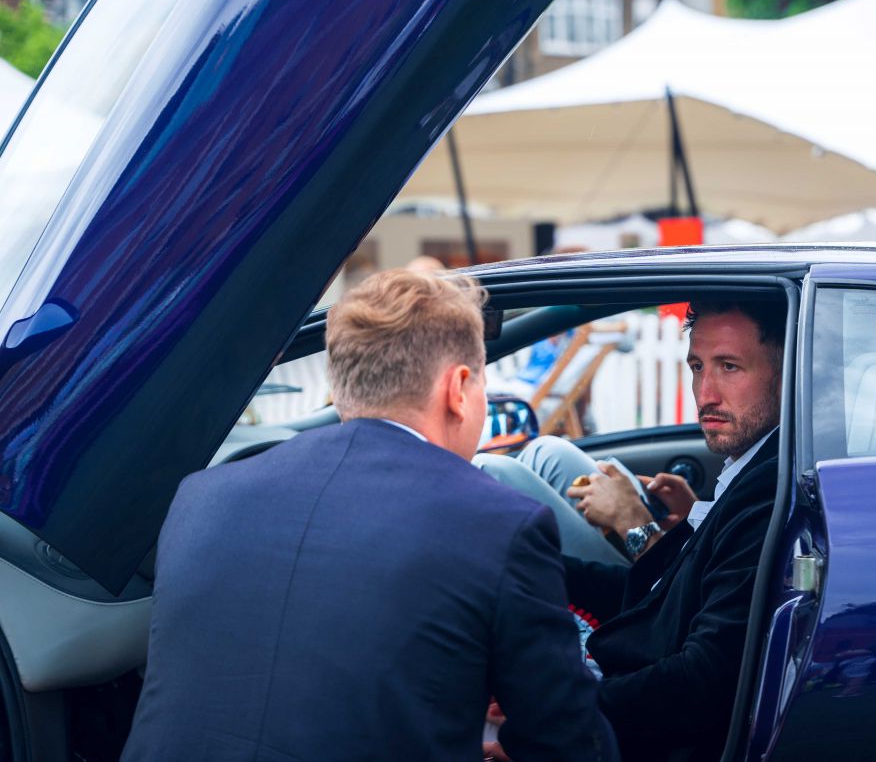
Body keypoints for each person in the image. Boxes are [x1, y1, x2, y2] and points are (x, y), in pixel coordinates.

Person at [123, 269, 617, 762]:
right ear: (459, 388)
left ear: (343, 385)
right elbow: (569, 743)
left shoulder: (201, 497)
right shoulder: (500, 524)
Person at [483, 299, 785, 761]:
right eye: (697, 366)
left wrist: (553, 720)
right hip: (624, 668)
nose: (706, 393)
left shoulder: (767, 491)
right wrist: (524, 565)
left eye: (730, 367)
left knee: (493, 470)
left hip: (633, 717)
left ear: (785, 373)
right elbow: (663, 593)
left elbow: (701, 681)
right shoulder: (747, 466)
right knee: (544, 453)